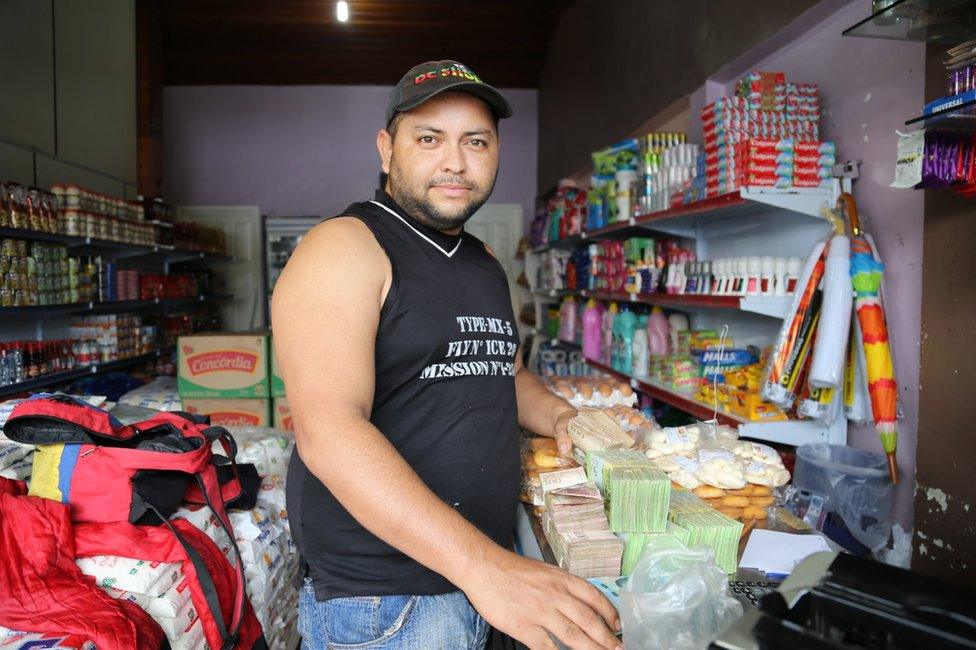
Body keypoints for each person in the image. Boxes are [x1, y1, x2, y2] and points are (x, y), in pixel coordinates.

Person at [273, 60, 621, 650]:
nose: (455, 161)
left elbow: (502, 373)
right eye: (429, 139)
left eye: (475, 142)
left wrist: (566, 417)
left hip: (480, 573)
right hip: (389, 602)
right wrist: (488, 569)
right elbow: (328, 428)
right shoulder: (345, 247)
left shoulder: (482, 260)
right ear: (387, 149)